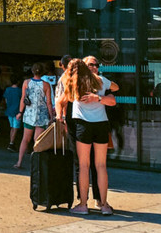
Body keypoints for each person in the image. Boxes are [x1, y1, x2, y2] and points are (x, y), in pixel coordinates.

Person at [57, 58, 116, 216]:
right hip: (101, 124)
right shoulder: (100, 80)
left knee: (83, 166)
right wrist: (98, 96)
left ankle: (83, 205)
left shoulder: (72, 83)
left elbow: (61, 100)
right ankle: (104, 205)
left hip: (83, 125)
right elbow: (115, 89)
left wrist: (59, 117)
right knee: (101, 166)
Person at [83, 56, 119, 210]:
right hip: (81, 123)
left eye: (96, 65)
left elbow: (115, 88)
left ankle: (98, 201)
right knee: (85, 165)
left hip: (94, 124)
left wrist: (103, 95)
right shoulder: (76, 79)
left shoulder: (100, 80)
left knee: (96, 165)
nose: (95, 67)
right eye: (91, 64)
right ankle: (87, 202)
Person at [14, 62, 54, 169]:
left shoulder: (26, 82)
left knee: (25, 139)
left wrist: (20, 112)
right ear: (42, 72)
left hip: (29, 114)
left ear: (32, 71)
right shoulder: (46, 85)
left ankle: (19, 161)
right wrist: (51, 116)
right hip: (41, 115)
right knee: (37, 141)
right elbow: (49, 102)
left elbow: (23, 98)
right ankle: (36, 164)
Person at [3, 79, 22, 152]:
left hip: (9, 110)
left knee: (12, 128)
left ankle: (11, 142)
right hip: (17, 111)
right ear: (18, 82)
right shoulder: (19, 91)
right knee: (15, 128)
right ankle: (11, 143)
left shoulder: (7, 90)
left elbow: (6, 100)